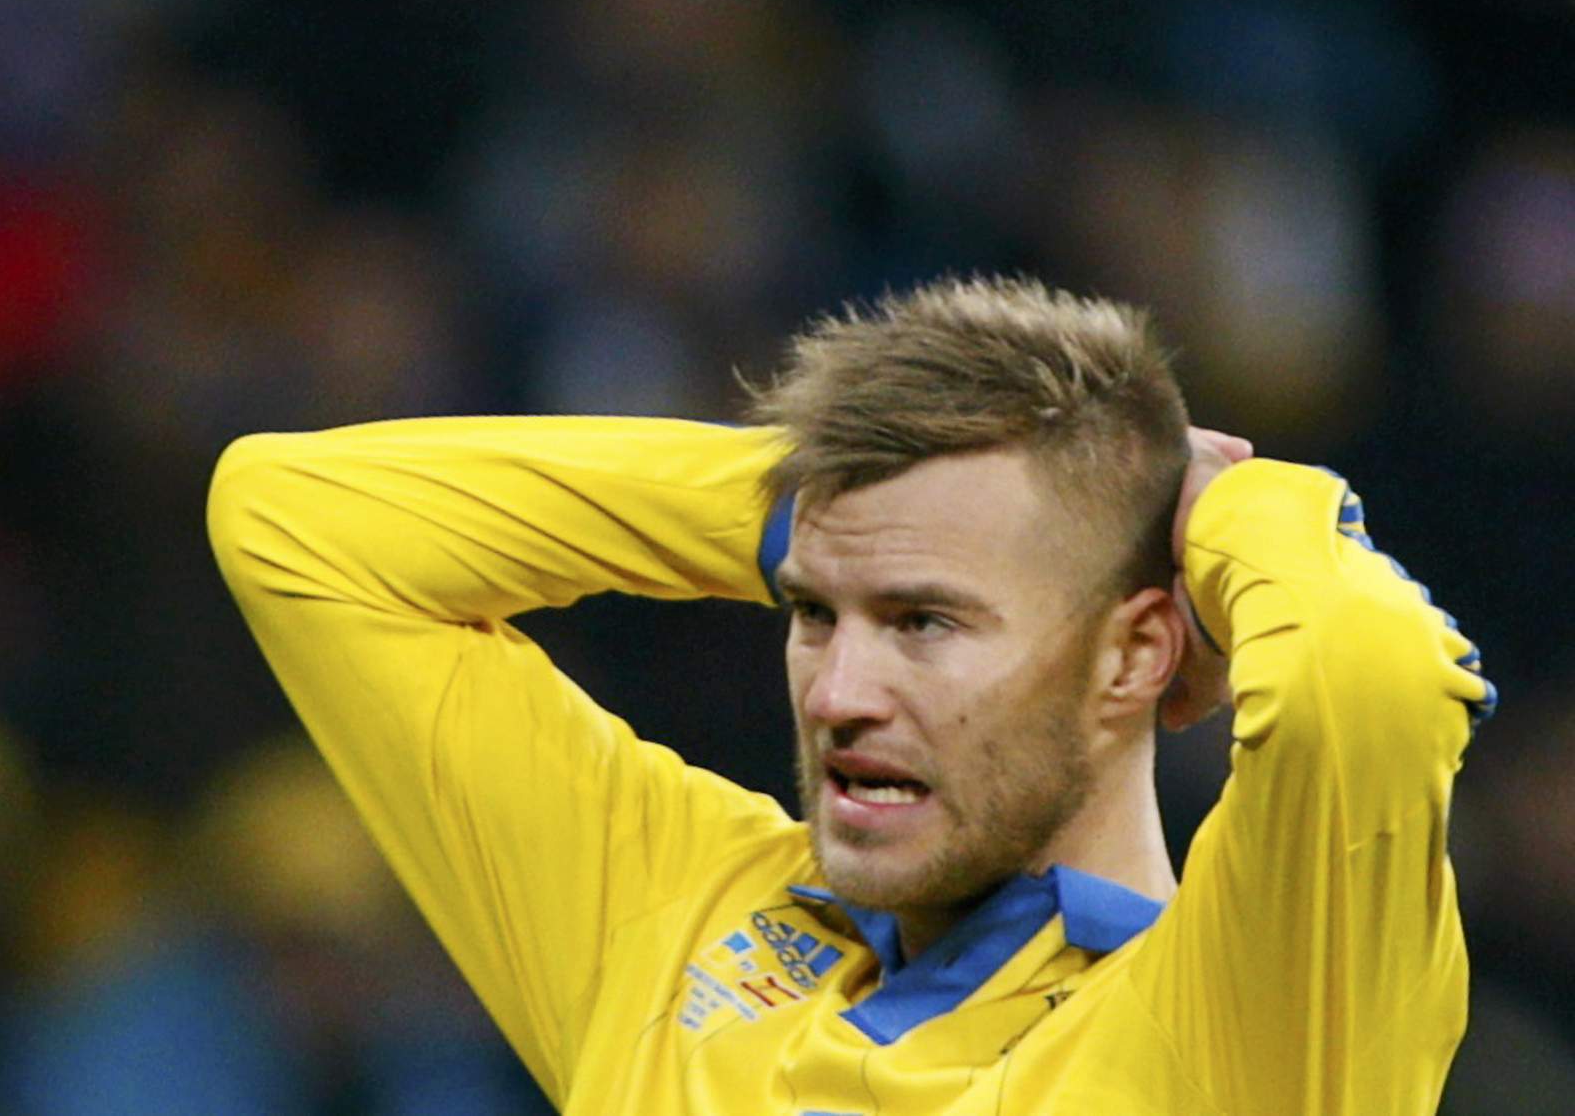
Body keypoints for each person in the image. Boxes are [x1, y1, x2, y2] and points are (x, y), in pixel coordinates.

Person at [206, 274, 1493, 1114]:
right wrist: (814, 511)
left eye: (926, 622)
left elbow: (1362, 677)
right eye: (814, 614)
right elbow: (296, 525)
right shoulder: (676, 917)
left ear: (1136, 652)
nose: (838, 692)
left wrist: (1220, 512)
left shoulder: (1258, 1016)